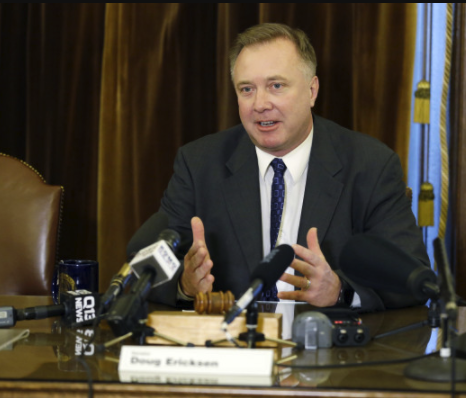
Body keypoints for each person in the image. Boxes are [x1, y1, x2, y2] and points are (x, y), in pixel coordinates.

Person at [131, 23, 430, 313]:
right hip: (233, 352)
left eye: (276, 86)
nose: (260, 104)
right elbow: (140, 271)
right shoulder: (199, 165)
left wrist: (339, 290)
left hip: (328, 356)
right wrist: (184, 284)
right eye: (247, 89)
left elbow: (413, 280)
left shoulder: (370, 165)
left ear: (312, 91)